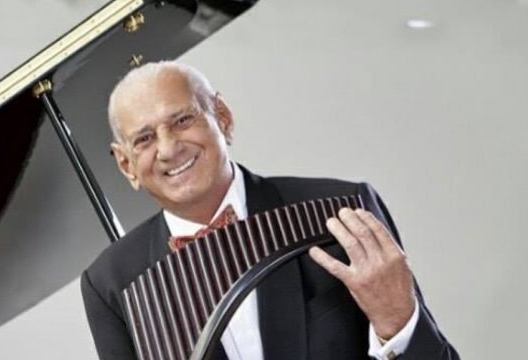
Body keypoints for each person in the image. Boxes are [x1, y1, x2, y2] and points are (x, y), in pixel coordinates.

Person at [81, 61, 459, 360]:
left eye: (182, 120)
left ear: (223, 117)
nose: (168, 149)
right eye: (144, 139)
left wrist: (397, 324)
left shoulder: (339, 212)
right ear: (126, 165)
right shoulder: (112, 283)